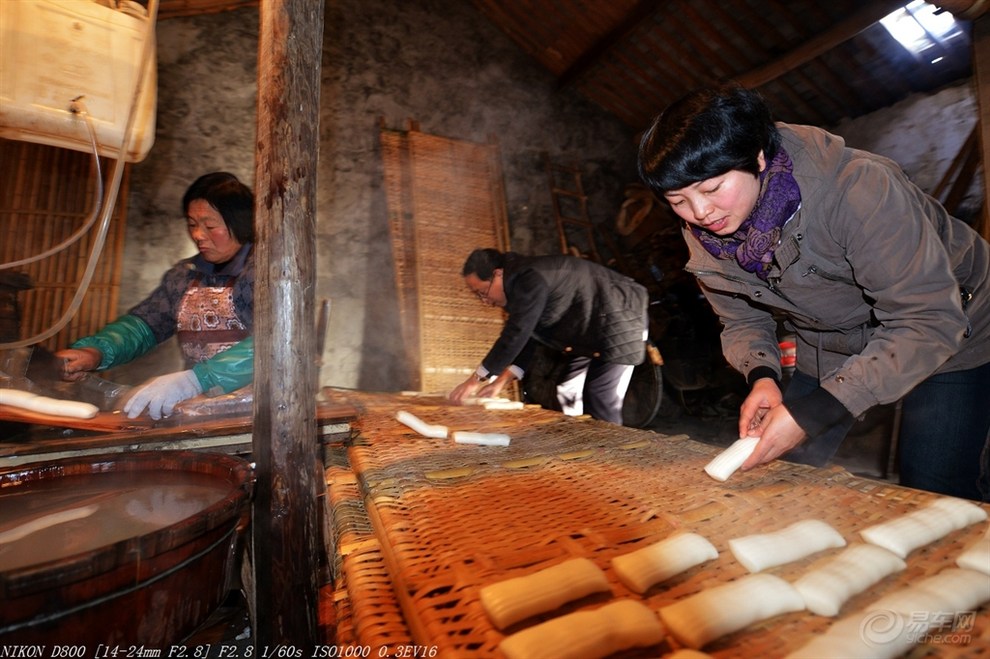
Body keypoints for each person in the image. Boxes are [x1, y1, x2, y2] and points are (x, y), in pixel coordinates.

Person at [637, 83, 989, 501]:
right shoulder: (707, 228)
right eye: (677, 199)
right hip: (832, 334)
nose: (700, 213)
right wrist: (763, 376)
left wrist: (815, 411)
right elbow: (741, 318)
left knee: (933, 490)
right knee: (784, 476)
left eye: (712, 189)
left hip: (952, 324)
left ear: (757, 158)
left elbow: (927, 319)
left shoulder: (859, 190)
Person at [57, 172, 256, 420]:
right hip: (199, 412)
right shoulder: (185, 275)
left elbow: (272, 344)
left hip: (256, 414)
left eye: (210, 226)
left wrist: (197, 380)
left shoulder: (264, 273)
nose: (197, 235)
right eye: (192, 224)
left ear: (239, 223)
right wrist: (96, 352)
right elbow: (145, 324)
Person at [448, 248, 649, 425]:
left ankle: (609, 454)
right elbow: (529, 336)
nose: (484, 300)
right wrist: (499, 383)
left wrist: (476, 379)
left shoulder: (529, 278)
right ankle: (579, 440)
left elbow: (517, 333)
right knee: (567, 388)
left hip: (620, 318)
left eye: (482, 292)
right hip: (590, 331)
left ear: (498, 274)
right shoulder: (521, 284)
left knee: (599, 393)